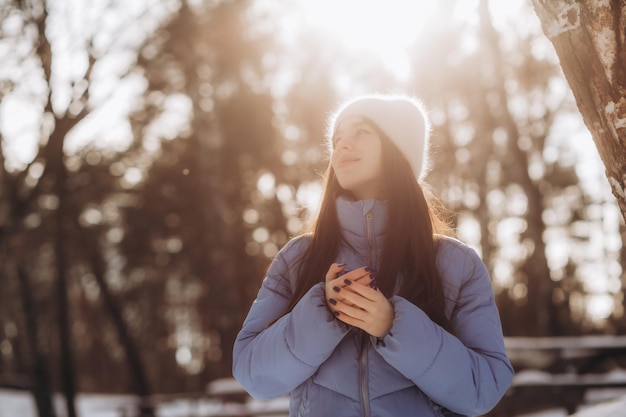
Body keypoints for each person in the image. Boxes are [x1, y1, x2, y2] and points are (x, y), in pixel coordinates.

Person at [232, 94, 514, 417]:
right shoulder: (296, 259)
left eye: (361, 132)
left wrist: (394, 326)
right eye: (337, 139)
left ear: (398, 150)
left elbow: (485, 388)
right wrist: (320, 313)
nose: (342, 146)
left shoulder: (456, 264)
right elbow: (251, 373)